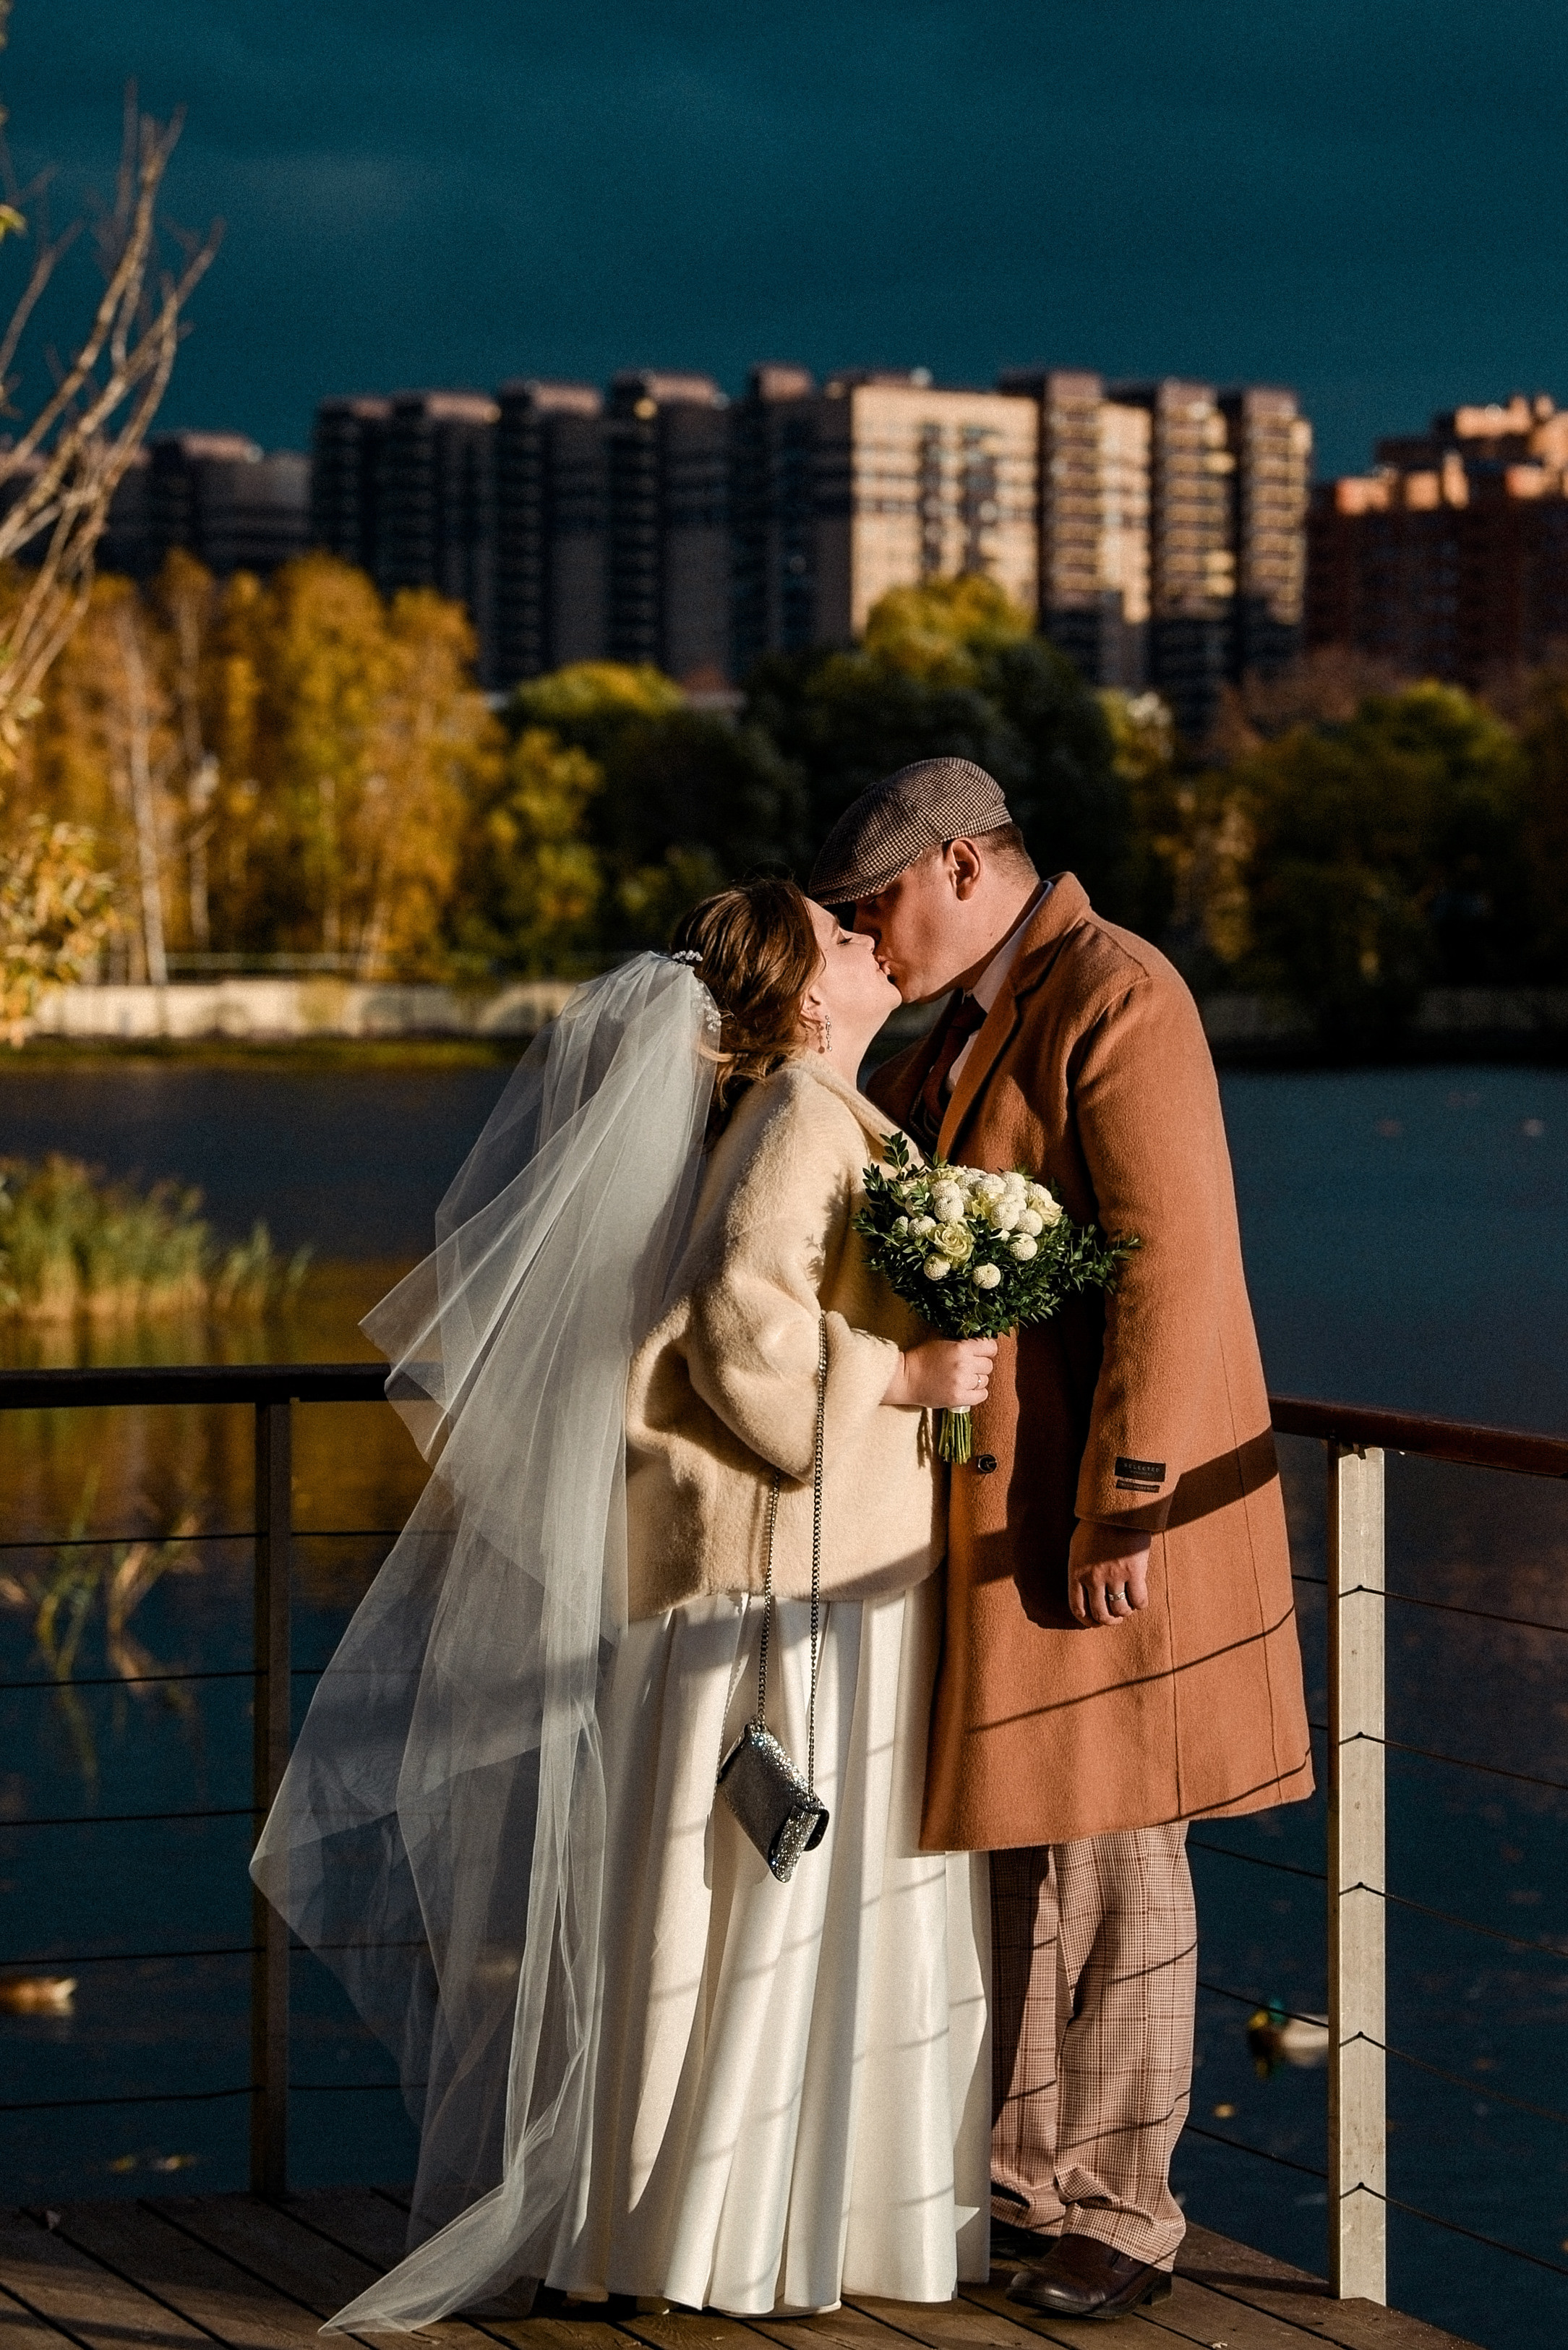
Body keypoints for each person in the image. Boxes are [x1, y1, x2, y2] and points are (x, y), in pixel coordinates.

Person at [254, 877, 995, 2330]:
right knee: (747, 1903)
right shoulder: (793, 1113)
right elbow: (734, 1321)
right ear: (793, 1000)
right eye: (839, 936)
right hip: (772, 1583)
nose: (868, 938)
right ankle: (713, 2227)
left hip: (802, 1565)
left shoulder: (822, 1110)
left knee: (730, 1906)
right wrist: (899, 1378)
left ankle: (723, 2216)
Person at [810, 757, 1313, 2325]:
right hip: (987, 1522)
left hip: (1105, 1527)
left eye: (872, 901)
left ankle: (1122, 2211)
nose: (862, 932)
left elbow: (1171, 1260)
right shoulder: (948, 1021)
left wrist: (1131, 1492)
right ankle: (1018, 2181)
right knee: (1016, 1848)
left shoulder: (1119, 993)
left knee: (1116, 1857)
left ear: (959, 863)